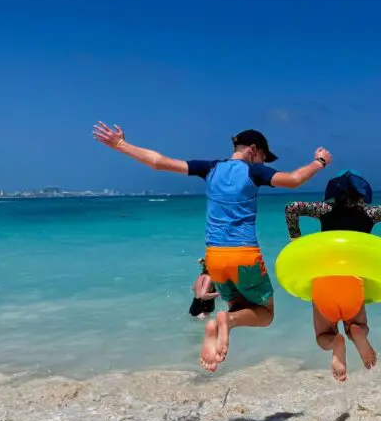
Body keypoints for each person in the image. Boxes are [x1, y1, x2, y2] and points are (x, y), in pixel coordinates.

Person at [92, 121, 332, 371]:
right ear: (253, 150)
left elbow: (158, 162)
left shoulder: (210, 168)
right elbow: (293, 180)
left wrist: (120, 145)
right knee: (266, 314)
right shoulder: (254, 171)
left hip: (214, 258)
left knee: (238, 307)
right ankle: (224, 321)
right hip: (244, 255)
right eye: (263, 157)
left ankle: (220, 324)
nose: (263, 162)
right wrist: (320, 162)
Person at [284, 170, 381, 381]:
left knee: (323, 335)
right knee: (359, 327)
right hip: (353, 282)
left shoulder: (325, 209)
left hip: (323, 281)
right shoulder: (370, 213)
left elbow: (291, 208)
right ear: (362, 194)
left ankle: (335, 343)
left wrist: (296, 241)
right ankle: (356, 334)